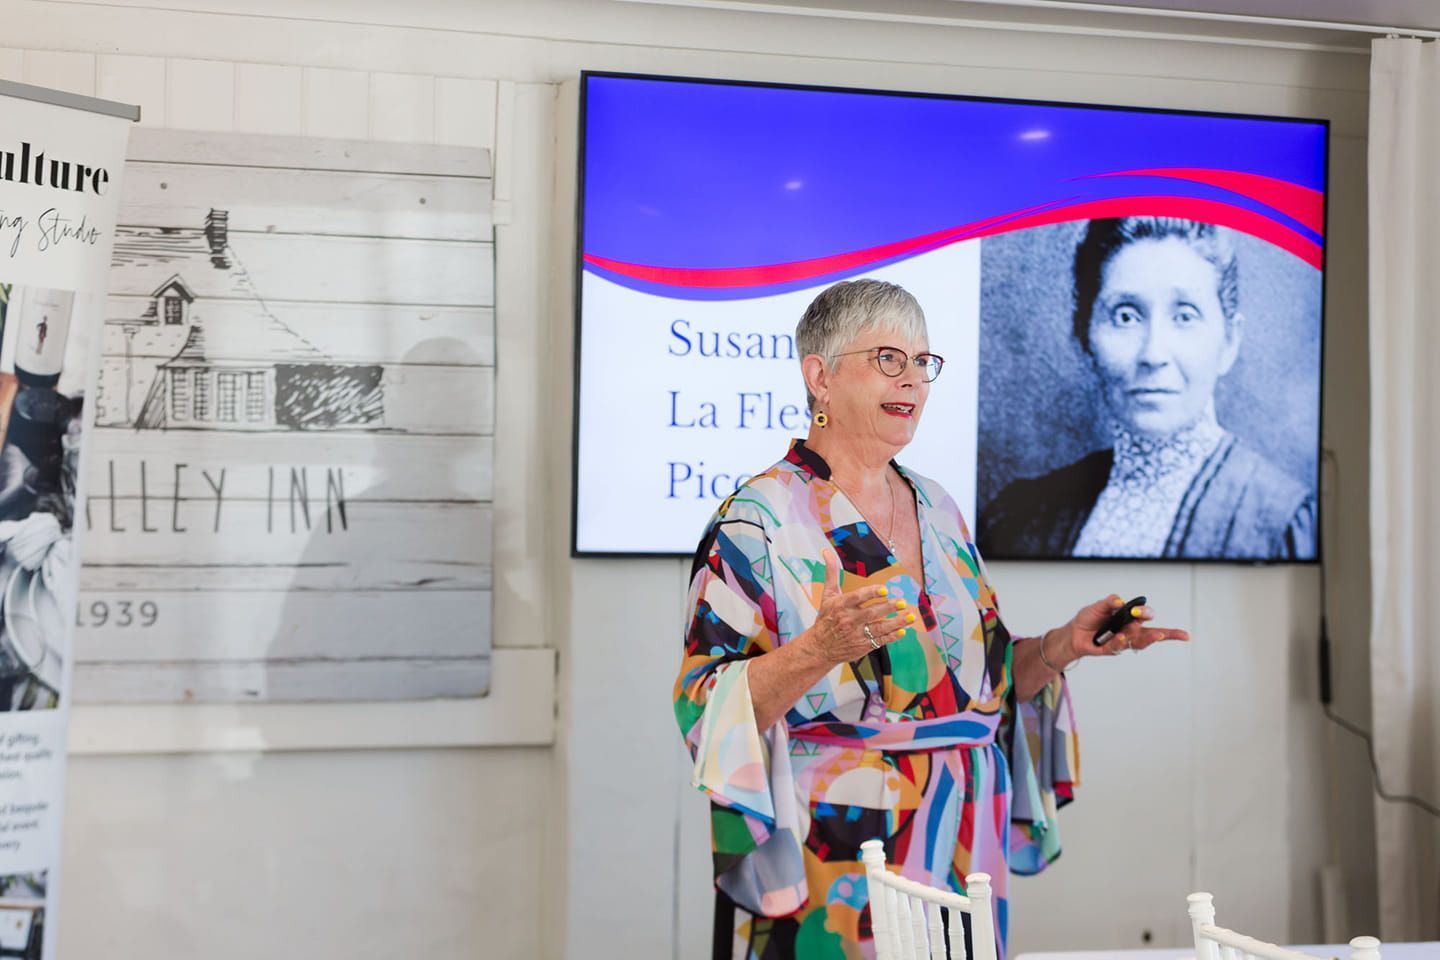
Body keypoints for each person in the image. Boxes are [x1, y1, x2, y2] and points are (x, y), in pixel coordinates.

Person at [674, 279, 1188, 959]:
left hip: (959, 849)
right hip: (834, 854)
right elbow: (704, 703)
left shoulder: (940, 509)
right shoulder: (757, 519)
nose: (912, 378)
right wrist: (819, 649)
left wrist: (1066, 644)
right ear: (819, 377)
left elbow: (988, 683)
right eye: (888, 358)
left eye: (923, 362)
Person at [979, 217, 1316, 561]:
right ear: (1084, 336)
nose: (1153, 354)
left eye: (1184, 316)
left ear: (1229, 342)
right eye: (1126, 316)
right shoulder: (1023, 517)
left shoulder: (1281, 521)